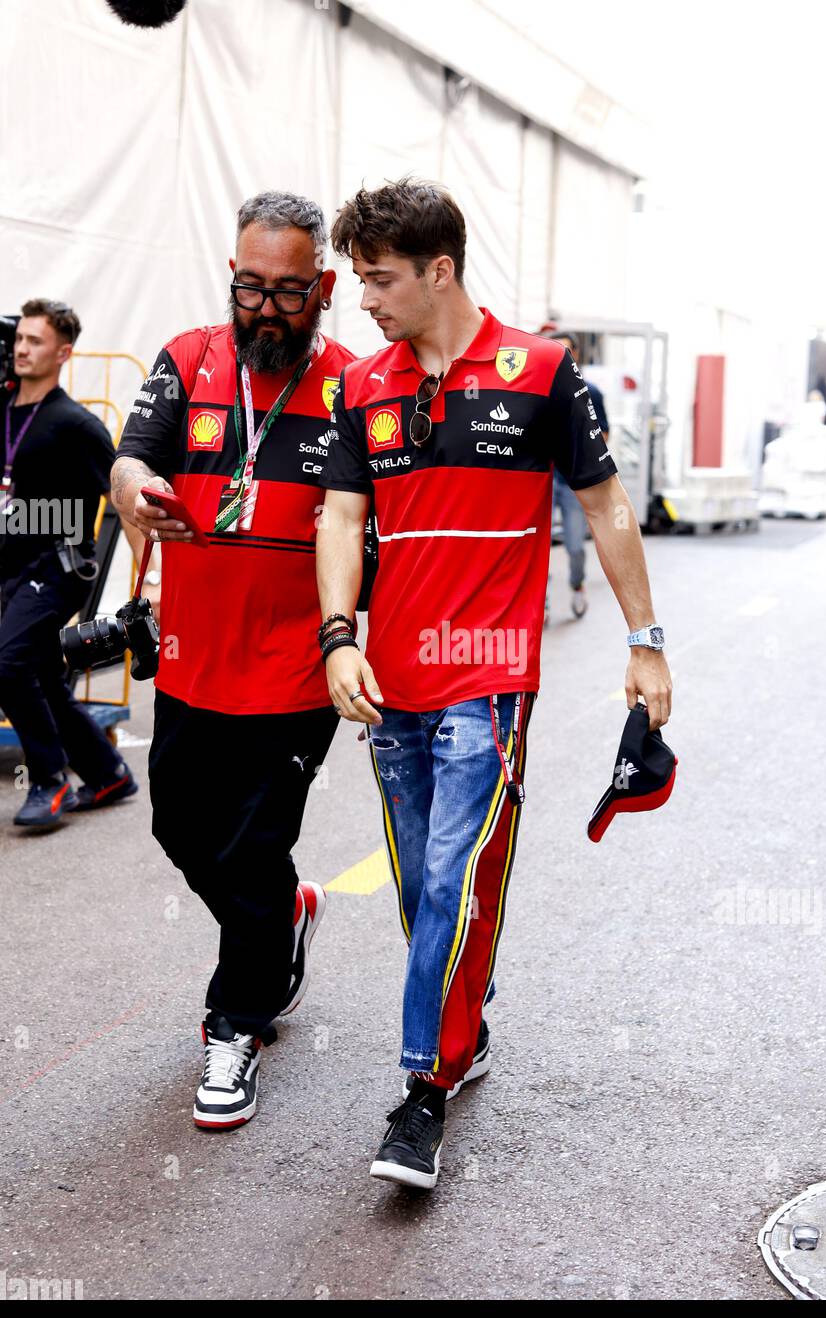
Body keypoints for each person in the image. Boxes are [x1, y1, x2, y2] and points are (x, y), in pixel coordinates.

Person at [317, 178, 672, 1190]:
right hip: (391, 685)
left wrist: (644, 642)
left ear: (439, 270)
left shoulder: (545, 372)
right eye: (357, 280)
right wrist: (339, 637)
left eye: (378, 279)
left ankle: (421, 1092)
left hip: (489, 678)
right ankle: (460, 1016)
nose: (365, 300)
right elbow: (340, 521)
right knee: (421, 884)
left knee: (449, 878)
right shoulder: (364, 386)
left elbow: (604, 511)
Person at [111, 191, 354, 1130]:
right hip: (192, 663)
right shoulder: (186, 359)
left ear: (323, 287)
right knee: (182, 830)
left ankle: (234, 1027)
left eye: (288, 293)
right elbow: (130, 457)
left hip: (301, 669)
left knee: (252, 845)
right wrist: (138, 490)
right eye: (249, 287)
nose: (263, 309)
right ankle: (281, 919)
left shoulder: (354, 385)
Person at [0, 298, 137, 829]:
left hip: (57, 570)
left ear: (63, 353)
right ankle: (108, 773)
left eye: (35, 341)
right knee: (39, 674)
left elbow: (122, 490)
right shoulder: (5, 409)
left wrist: (151, 577)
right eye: (20, 339)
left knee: (7, 663)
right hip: (12, 567)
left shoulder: (76, 423)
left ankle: (48, 778)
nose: (22, 348)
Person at [543, 328, 610, 621]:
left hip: (571, 483)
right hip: (539, 482)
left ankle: (577, 584)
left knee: (573, 546)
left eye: (565, 350)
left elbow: (603, 434)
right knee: (536, 548)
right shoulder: (535, 388)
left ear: (575, 355)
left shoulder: (590, 392)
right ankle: (540, 601)